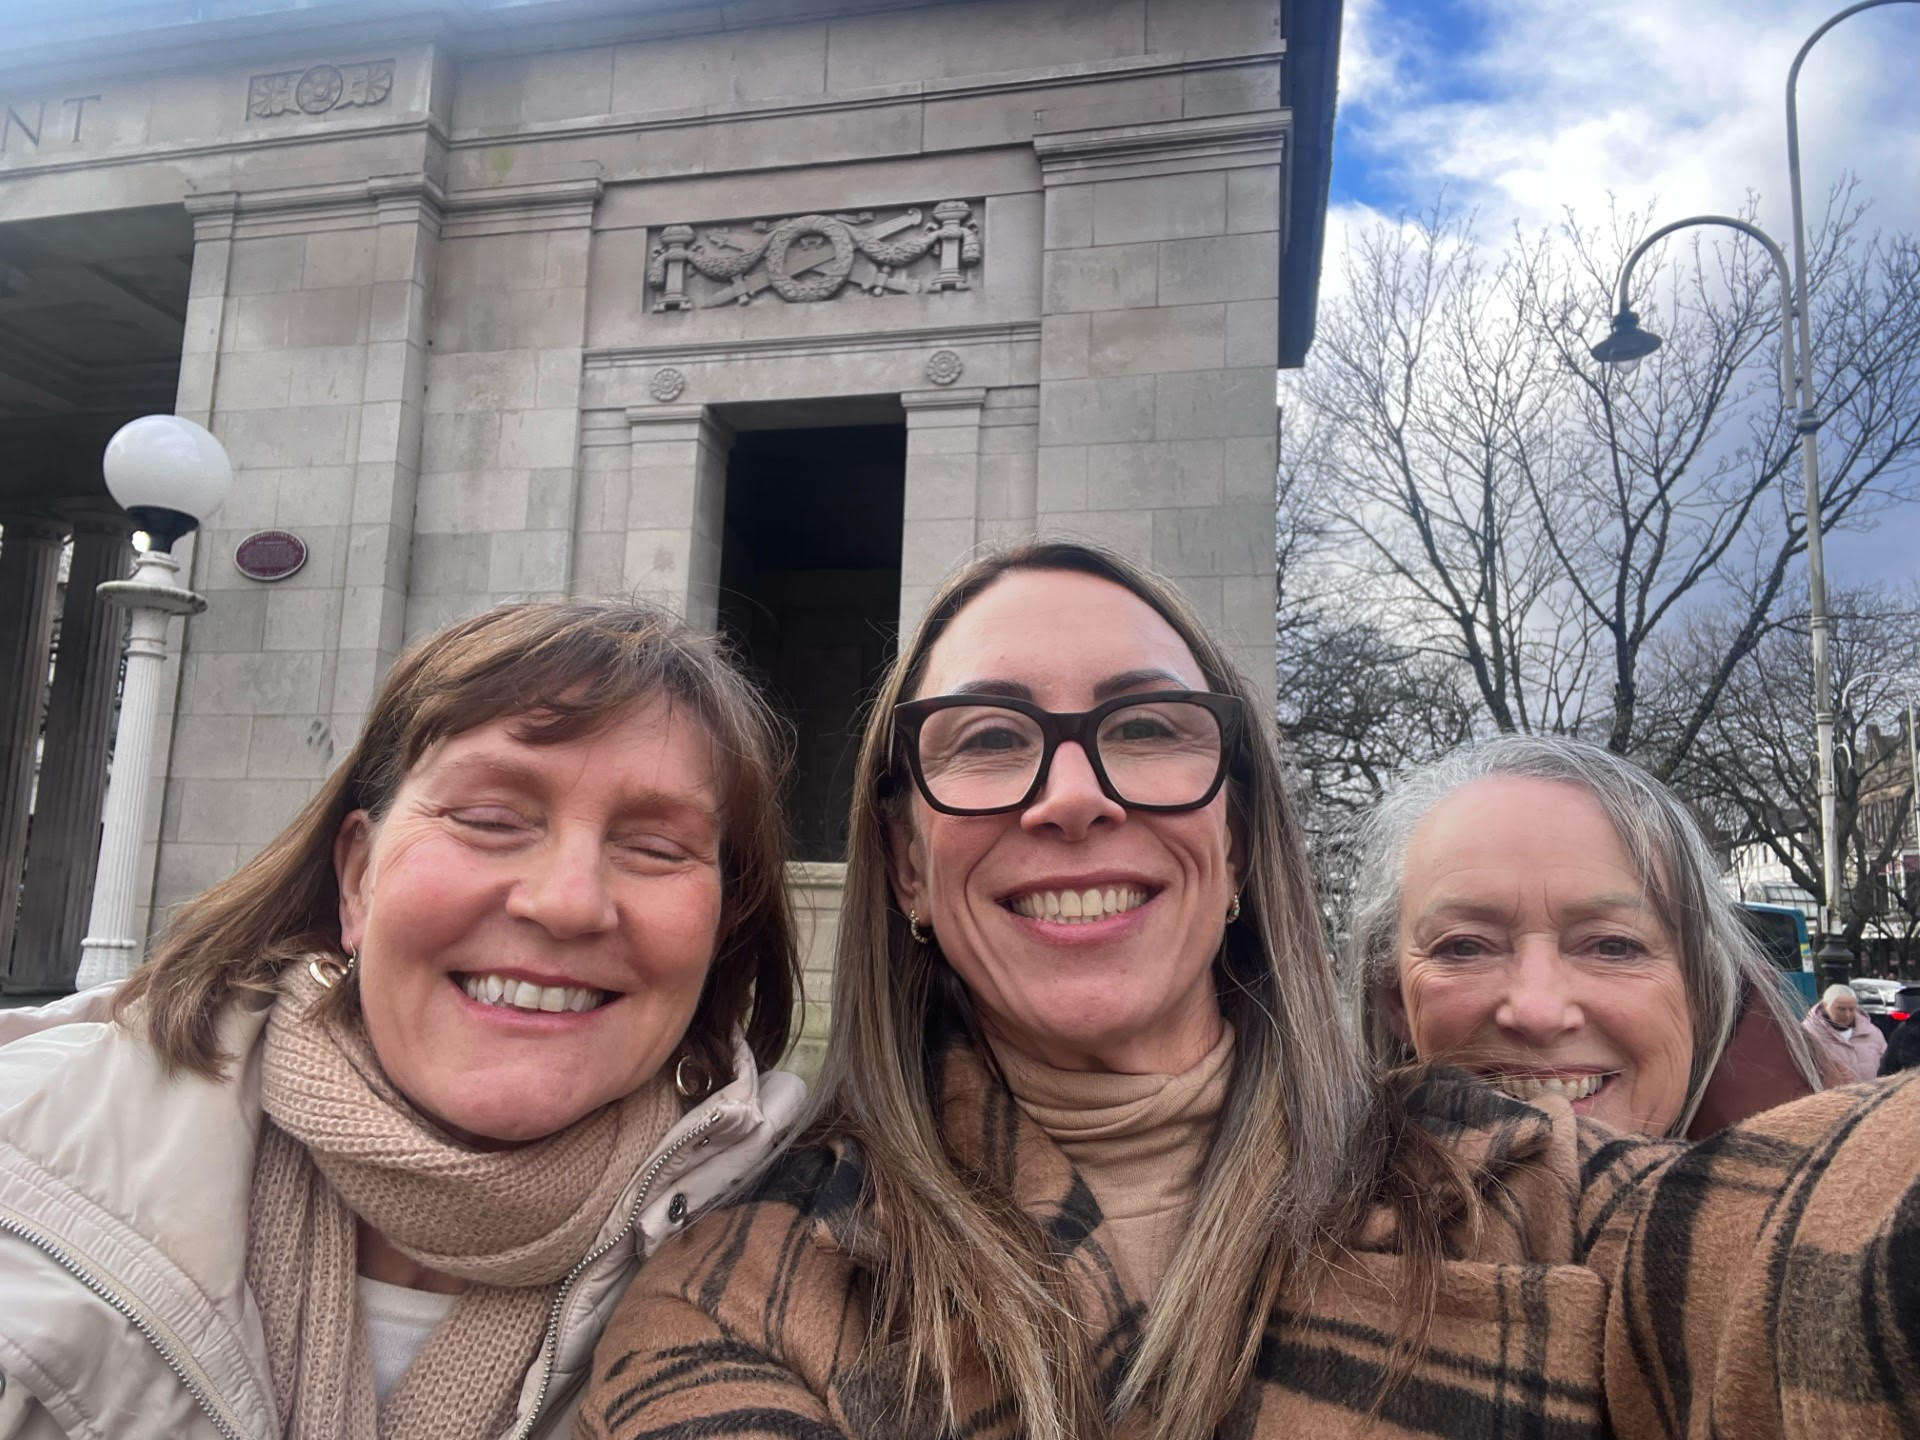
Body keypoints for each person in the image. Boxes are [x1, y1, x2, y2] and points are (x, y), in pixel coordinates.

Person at [578, 541, 1920, 1440]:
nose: (1074, 793)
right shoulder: (741, 1282)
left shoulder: (1537, 1185)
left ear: (1233, 848)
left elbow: (1810, 1259)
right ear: (908, 867)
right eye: (987, 740)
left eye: (1148, 729)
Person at [0, 601, 805, 1440]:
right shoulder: (27, 1146)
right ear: (357, 880)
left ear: (720, 928)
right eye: (491, 820)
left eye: (655, 849)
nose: (568, 903)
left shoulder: (828, 1252)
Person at [1346, 735, 1824, 1139]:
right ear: (1396, 1001)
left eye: (1613, 946)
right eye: (1464, 947)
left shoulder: (1875, 1226)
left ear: (1701, 992)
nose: (1538, 1013)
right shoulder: (1288, 1244)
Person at [1803, 982, 1887, 1083]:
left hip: (1875, 1095)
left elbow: (1888, 1065)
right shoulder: (1810, 1033)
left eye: (1852, 1009)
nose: (1847, 1015)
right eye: (1841, 1009)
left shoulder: (1872, 1032)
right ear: (1825, 1005)